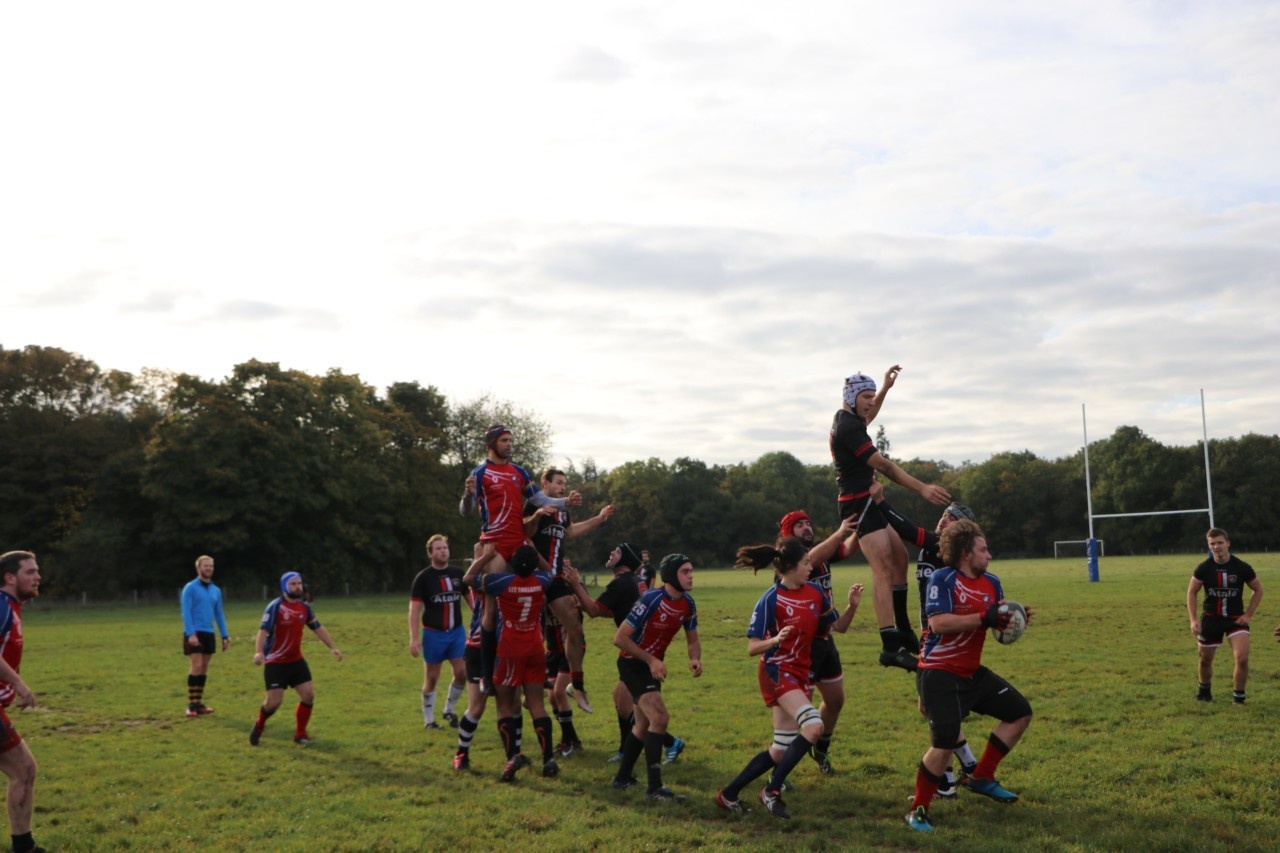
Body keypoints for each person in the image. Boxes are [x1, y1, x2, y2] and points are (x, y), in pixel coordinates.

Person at [716, 538, 863, 819]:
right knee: (814, 725)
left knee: (780, 750)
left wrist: (852, 606)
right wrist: (774, 640)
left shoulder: (815, 593)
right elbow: (752, 647)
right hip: (776, 672)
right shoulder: (771, 599)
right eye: (806, 563)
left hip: (799, 673)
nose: (811, 567)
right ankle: (772, 791)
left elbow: (839, 627)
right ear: (791, 567)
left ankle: (728, 794)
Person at [906, 520, 1034, 833]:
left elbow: (994, 621)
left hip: (971, 672)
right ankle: (918, 811)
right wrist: (984, 617)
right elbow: (938, 624)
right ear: (966, 553)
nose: (989, 555)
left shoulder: (993, 582)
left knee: (1020, 712)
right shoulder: (943, 578)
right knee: (944, 744)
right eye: (983, 549)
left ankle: (981, 776)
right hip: (938, 673)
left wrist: (1012, 620)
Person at [829, 368, 950, 670]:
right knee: (883, 568)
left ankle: (904, 628)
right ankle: (889, 645)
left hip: (868, 498)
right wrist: (922, 488)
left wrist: (884, 389)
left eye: (872, 397)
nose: (871, 402)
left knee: (899, 558)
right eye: (866, 397)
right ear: (851, 398)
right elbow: (883, 465)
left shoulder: (852, 419)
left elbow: (869, 414)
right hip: (858, 503)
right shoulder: (847, 427)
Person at [876, 492, 982, 795]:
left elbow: (908, 530)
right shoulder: (935, 545)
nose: (944, 519)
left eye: (952, 518)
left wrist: (880, 503)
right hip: (930, 635)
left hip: (941, 636)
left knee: (936, 710)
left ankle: (952, 778)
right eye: (944, 514)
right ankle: (964, 769)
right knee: (930, 708)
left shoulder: (943, 546)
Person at [460, 425, 579, 692]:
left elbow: (540, 499)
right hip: (494, 543)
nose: (509, 444)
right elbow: (465, 511)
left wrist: (566, 503)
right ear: (491, 443)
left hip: (519, 541)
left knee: (539, 596)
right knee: (491, 608)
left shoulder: (519, 472)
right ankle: (488, 675)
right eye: (504, 440)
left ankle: (538, 665)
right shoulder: (479, 473)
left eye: (511, 440)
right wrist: (467, 495)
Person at [565, 544, 686, 765]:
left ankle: (669, 743)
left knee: (634, 707)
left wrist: (575, 584)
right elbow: (610, 610)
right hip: (644, 647)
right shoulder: (635, 581)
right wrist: (584, 603)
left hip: (636, 652)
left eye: (617, 552)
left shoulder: (620, 583)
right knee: (621, 700)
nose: (611, 553)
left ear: (625, 560)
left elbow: (594, 610)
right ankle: (626, 750)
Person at [610, 554, 702, 803]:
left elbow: (693, 640)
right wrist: (651, 660)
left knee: (642, 725)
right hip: (633, 664)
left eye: (691, 570)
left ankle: (623, 778)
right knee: (660, 718)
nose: (691, 576)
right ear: (671, 575)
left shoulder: (688, 604)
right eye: (685, 571)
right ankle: (654, 788)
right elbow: (620, 638)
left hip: (651, 667)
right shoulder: (651, 599)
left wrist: (695, 658)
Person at [773, 510, 861, 774]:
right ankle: (778, 769)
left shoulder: (822, 553)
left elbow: (846, 549)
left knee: (835, 701)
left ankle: (820, 751)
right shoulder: (789, 564)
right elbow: (813, 557)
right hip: (802, 646)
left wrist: (863, 527)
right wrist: (841, 531)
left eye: (808, 523)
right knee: (796, 713)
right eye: (799, 525)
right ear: (787, 533)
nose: (807, 527)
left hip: (825, 640)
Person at [524, 466, 613, 713]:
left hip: (556, 578)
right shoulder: (533, 504)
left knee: (574, 626)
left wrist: (599, 518)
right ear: (545, 483)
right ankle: (529, 682)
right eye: (559, 482)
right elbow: (524, 534)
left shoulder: (563, 511)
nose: (563, 487)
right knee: (533, 634)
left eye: (565, 483)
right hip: (535, 577)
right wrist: (537, 515)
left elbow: (571, 531)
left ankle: (577, 684)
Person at [478, 544, 559, 782]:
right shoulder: (542, 581)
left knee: (504, 706)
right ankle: (548, 759)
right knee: (537, 705)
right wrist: (536, 553)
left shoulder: (501, 582)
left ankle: (512, 756)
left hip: (510, 649)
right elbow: (550, 571)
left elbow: (468, 579)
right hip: (535, 648)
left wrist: (484, 558)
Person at [250, 572, 344, 746]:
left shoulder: (304, 608)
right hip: (275, 662)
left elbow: (317, 627)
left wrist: (332, 647)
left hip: (296, 660)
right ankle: (259, 724)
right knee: (273, 703)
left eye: (299, 583)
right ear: (285, 586)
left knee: (308, 695)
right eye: (293, 584)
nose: (297, 587)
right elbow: (263, 631)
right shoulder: (275, 607)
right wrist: (258, 652)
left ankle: (300, 735)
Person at [1187, 528, 1262, 704]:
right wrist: (1193, 619)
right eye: (1212, 543)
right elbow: (1191, 592)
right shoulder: (1203, 568)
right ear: (1208, 545)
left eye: (1220, 542)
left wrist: (1248, 614)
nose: (1216, 546)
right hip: (1211, 618)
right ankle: (1204, 692)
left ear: (1228, 543)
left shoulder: (1242, 567)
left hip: (1236, 619)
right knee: (1205, 660)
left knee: (1242, 658)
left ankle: (1238, 698)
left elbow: (1258, 589)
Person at [0, 552, 44, 853]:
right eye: (30, 572)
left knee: (24, 770)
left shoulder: (10, 608)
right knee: (23, 769)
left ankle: (23, 845)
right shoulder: (2, 608)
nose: (37, 577)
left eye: (37, 571)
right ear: (9, 577)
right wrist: (18, 683)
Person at [409, 535, 468, 728]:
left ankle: (449, 710)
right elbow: (415, 609)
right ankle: (429, 720)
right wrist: (414, 638)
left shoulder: (458, 574)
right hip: (433, 635)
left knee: (462, 672)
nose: (443, 551)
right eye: (438, 548)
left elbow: (472, 602)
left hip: (456, 633)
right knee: (432, 678)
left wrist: (481, 624)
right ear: (430, 553)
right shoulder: (423, 578)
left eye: (445, 548)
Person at [452, 544, 491, 771]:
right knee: (477, 706)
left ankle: (514, 754)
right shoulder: (480, 579)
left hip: (503, 649)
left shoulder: (508, 577)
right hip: (477, 647)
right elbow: (469, 576)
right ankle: (461, 753)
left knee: (511, 704)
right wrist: (484, 553)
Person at [180, 554, 229, 718]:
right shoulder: (190, 588)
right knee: (196, 666)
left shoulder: (216, 591)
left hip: (209, 633)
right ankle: (191, 705)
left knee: (204, 668)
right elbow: (186, 612)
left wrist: (224, 635)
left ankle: (199, 703)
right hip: (195, 632)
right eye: (206, 565)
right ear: (198, 568)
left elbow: (219, 614)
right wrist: (191, 634)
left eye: (211, 566)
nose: (209, 568)